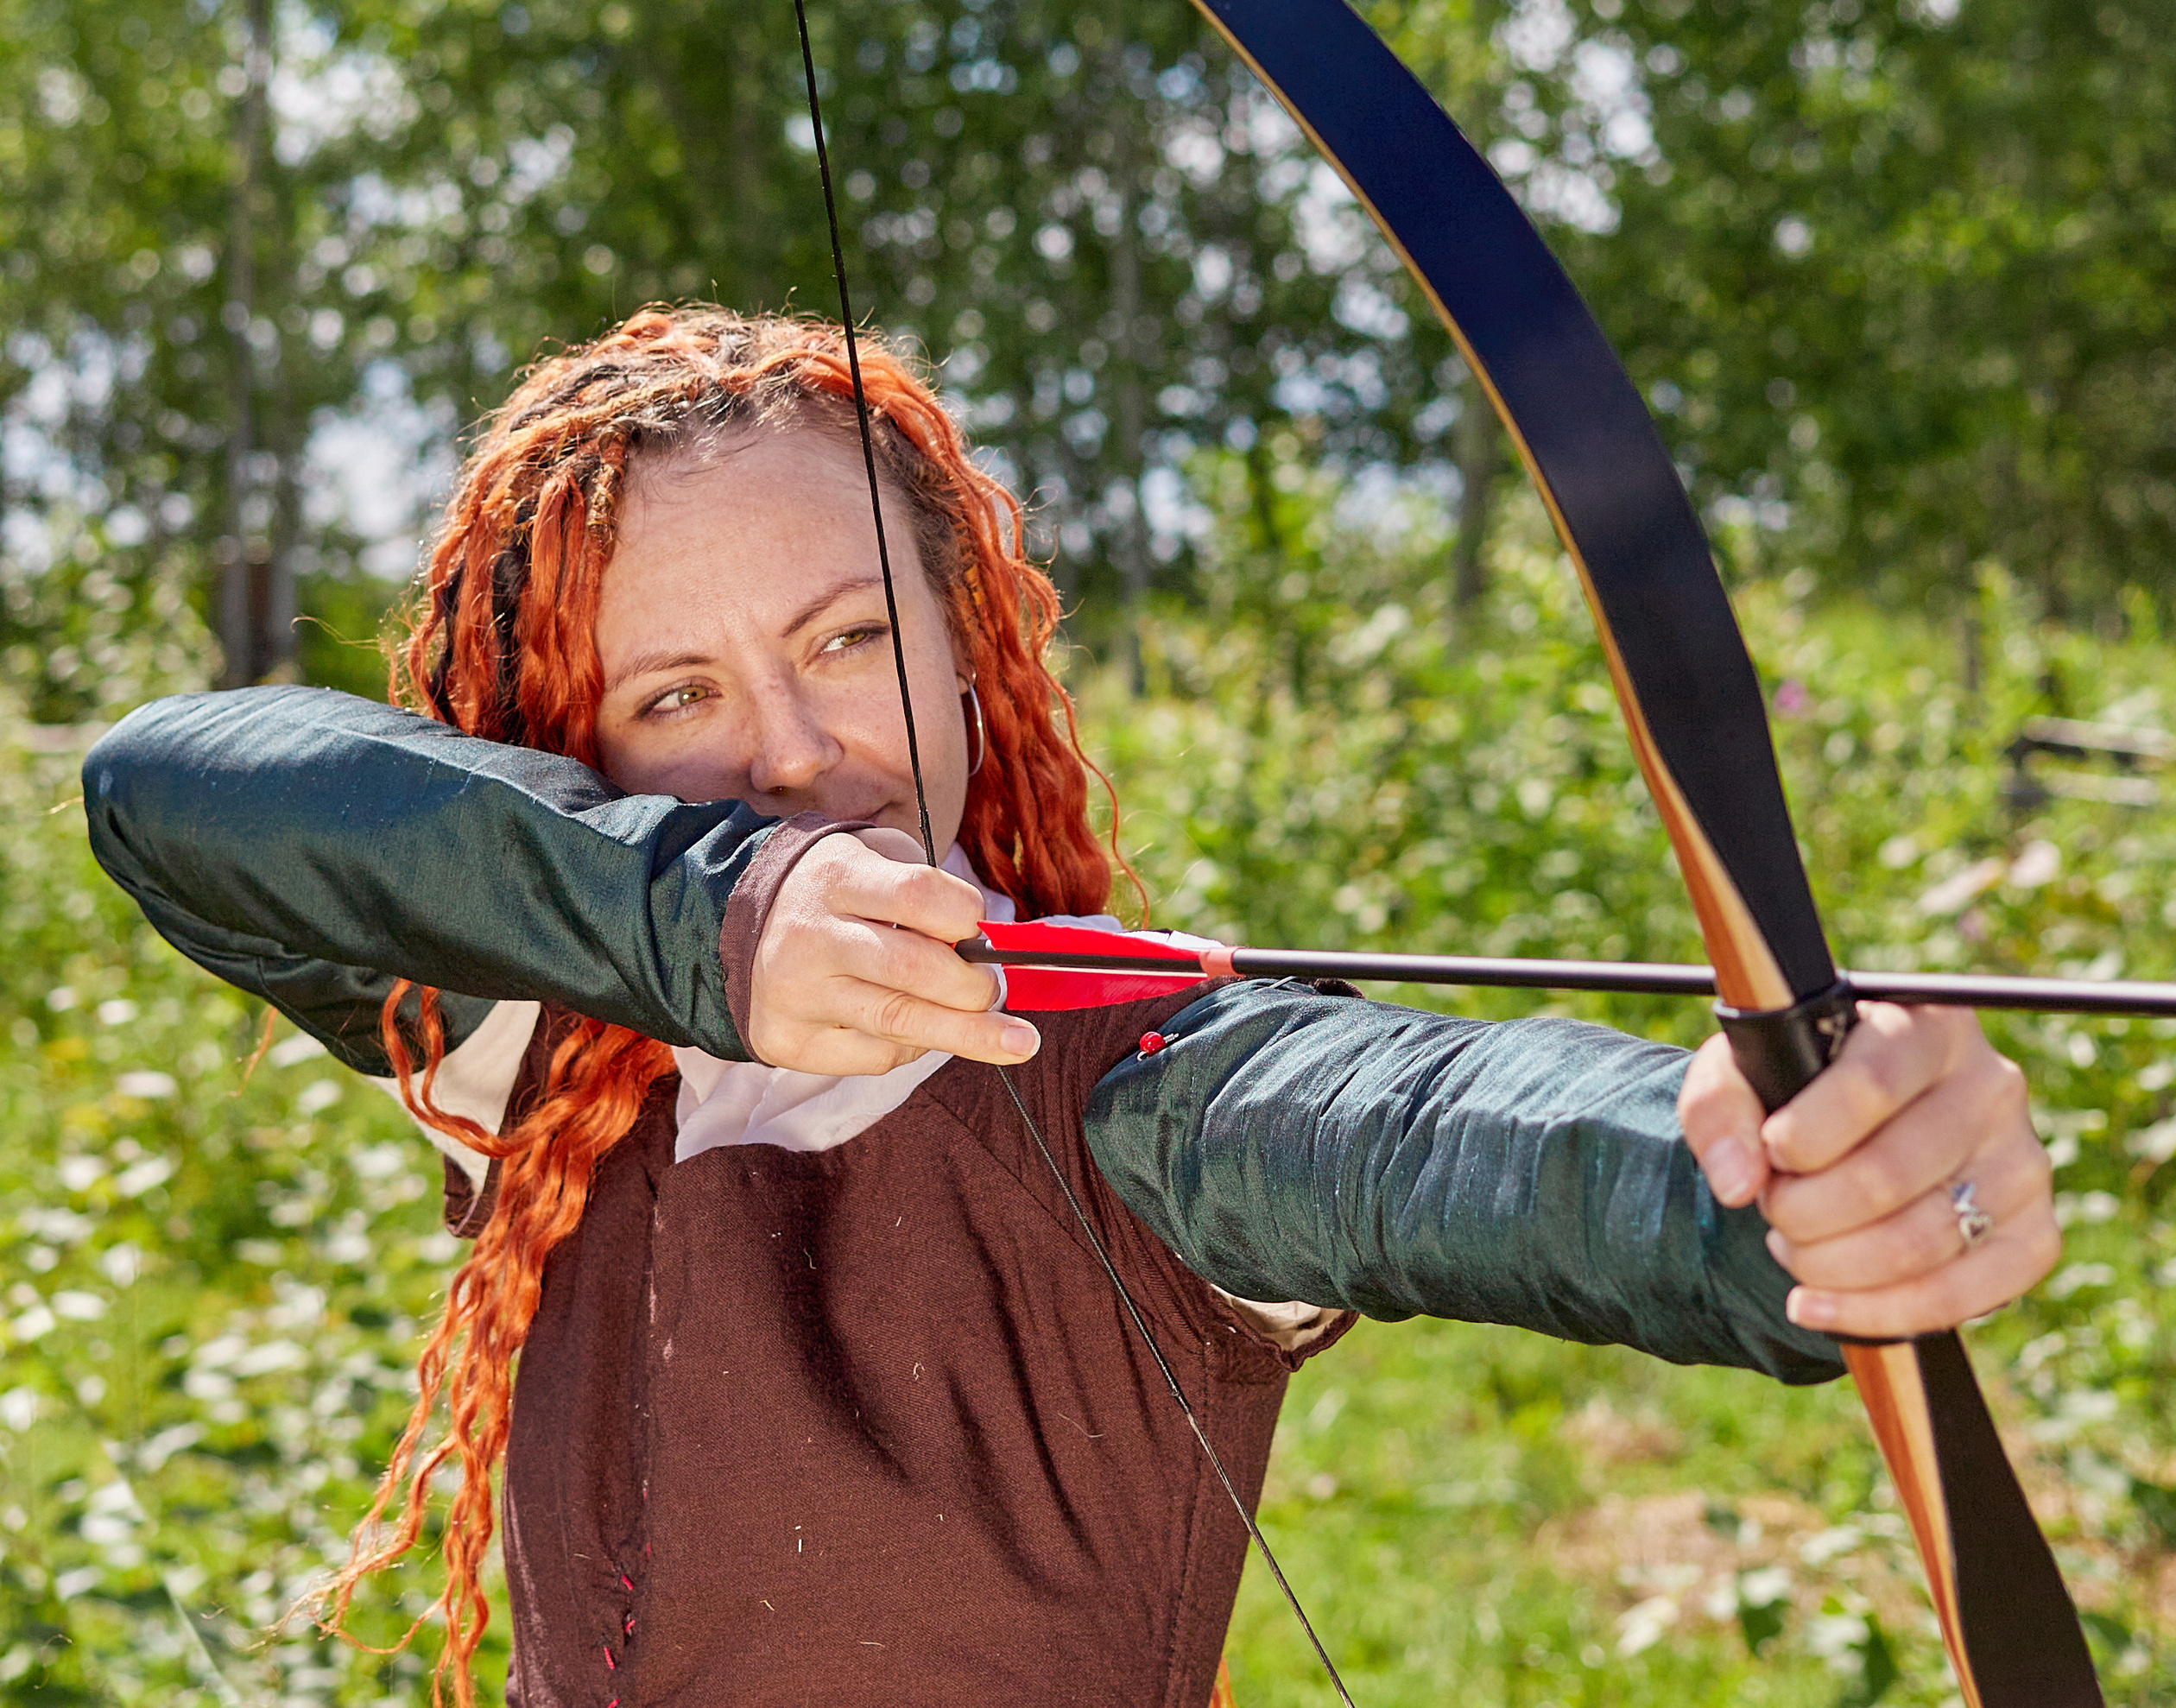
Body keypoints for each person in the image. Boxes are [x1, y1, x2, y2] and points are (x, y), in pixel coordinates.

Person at [81, 307, 2059, 1708]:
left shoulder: (1143, 1085)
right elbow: (171, 788)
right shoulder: (552, 1060)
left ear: (967, 651)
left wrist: (1782, 1177)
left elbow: (1424, 1127)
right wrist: (711, 915)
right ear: (570, 754)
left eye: (849, 638)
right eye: (671, 696)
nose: (786, 754)